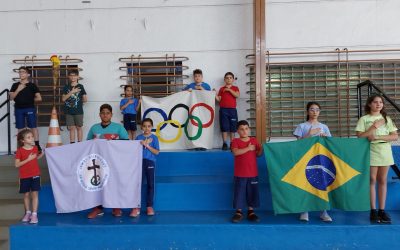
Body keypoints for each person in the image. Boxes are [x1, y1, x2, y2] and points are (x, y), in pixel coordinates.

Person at [355, 95, 398, 224]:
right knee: (372, 180)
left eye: (380, 102)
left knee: (382, 180)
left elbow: (395, 136)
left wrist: (378, 136)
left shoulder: (387, 119)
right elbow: (360, 136)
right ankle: (373, 210)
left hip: (384, 151)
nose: (378, 104)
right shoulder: (364, 119)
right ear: (369, 104)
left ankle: (382, 210)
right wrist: (373, 127)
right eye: (375, 102)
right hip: (371, 152)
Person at [86, 104, 129, 219]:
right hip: (98, 162)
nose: (105, 115)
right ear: (99, 115)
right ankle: (98, 208)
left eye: (107, 113)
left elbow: (127, 143)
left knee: (114, 183)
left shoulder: (118, 127)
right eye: (103, 113)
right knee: (98, 184)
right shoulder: (94, 128)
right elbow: (87, 145)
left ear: (111, 115)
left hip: (114, 162)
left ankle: (116, 207)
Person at [293, 101, 332, 222]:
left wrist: (326, 137)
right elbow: (298, 144)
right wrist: (309, 134)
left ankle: (323, 211)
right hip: (305, 159)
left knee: (322, 184)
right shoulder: (302, 126)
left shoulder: (324, 127)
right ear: (307, 111)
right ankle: (304, 211)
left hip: (321, 159)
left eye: (317, 110)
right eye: (312, 109)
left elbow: (330, 144)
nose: (315, 112)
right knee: (305, 184)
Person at [230, 120, 263, 223]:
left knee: (252, 192)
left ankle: (251, 211)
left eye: (246, 129)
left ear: (249, 129)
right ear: (237, 131)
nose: (244, 131)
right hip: (240, 173)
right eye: (241, 129)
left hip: (253, 173)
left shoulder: (254, 140)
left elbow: (258, 154)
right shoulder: (235, 141)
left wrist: (261, 148)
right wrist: (248, 148)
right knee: (239, 192)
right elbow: (235, 152)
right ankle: (238, 212)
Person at [130, 118, 160, 217]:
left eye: (149, 126)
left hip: (150, 162)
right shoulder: (138, 137)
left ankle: (149, 206)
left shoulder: (154, 138)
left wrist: (147, 145)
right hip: (139, 163)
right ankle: (136, 207)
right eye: (144, 126)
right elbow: (133, 152)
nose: (146, 128)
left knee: (150, 184)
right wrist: (141, 144)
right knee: (137, 185)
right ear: (141, 127)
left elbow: (157, 152)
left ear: (151, 127)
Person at [9, 66, 42, 152]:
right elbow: (11, 97)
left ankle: (37, 146)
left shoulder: (32, 85)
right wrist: (18, 90)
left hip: (30, 108)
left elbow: (39, 98)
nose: (21, 73)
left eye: (23, 72)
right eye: (20, 72)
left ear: (28, 74)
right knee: (20, 128)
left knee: (33, 127)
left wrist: (29, 100)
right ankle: (20, 147)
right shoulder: (15, 85)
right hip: (19, 109)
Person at [15, 128, 44, 224]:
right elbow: (17, 164)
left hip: (35, 175)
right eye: (28, 137)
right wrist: (28, 159)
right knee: (26, 194)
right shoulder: (20, 151)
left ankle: (34, 214)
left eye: (32, 136)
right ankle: (28, 213)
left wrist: (42, 154)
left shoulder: (35, 148)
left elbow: (35, 158)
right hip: (24, 176)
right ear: (23, 140)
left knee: (35, 194)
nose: (31, 139)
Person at [62, 69, 87, 144]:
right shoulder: (66, 87)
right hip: (68, 111)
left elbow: (85, 99)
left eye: (74, 75)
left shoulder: (80, 86)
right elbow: (63, 99)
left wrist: (79, 103)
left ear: (78, 77)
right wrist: (72, 92)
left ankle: (80, 143)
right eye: (71, 75)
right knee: (71, 128)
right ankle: (72, 144)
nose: (73, 77)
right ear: (69, 77)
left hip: (78, 111)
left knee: (79, 127)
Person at [215, 72, 240, 150]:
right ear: (224, 79)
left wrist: (229, 90)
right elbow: (219, 99)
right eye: (227, 78)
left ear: (233, 79)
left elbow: (237, 95)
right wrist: (214, 94)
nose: (229, 79)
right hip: (223, 110)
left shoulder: (235, 88)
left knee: (233, 128)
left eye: (230, 78)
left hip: (232, 110)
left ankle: (232, 143)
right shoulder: (221, 89)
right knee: (224, 127)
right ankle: (225, 143)